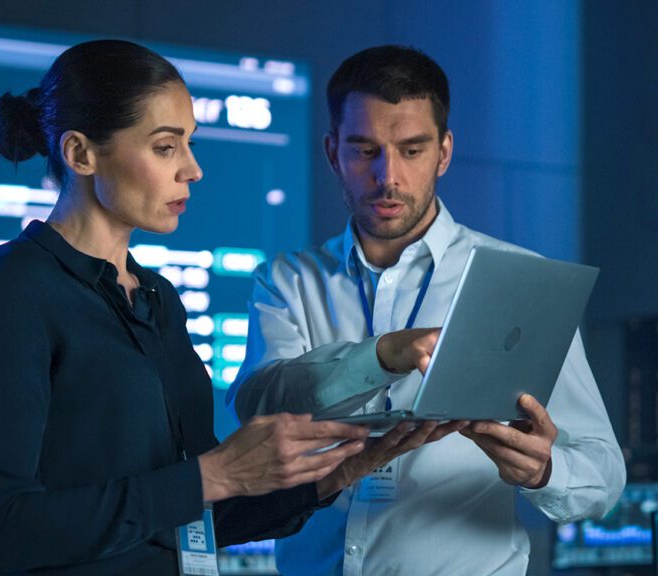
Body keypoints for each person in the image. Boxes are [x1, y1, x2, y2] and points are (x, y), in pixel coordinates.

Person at [0, 40, 461, 576]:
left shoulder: (156, 296)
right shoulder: (13, 284)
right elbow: (1, 533)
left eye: (189, 144)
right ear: (80, 153)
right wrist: (210, 476)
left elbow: (191, 520)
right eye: (166, 147)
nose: (193, 169)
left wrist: (333, 474)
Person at [226, 45, 626, 575]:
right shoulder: (287, 281)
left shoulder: (522, 281)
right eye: (365, 150)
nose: (387, 177)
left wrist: (544, 471)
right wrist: (382, 358)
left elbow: (604, 475)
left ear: (444, 152)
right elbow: (256, 406)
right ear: (332, 153)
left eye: (411, 150)